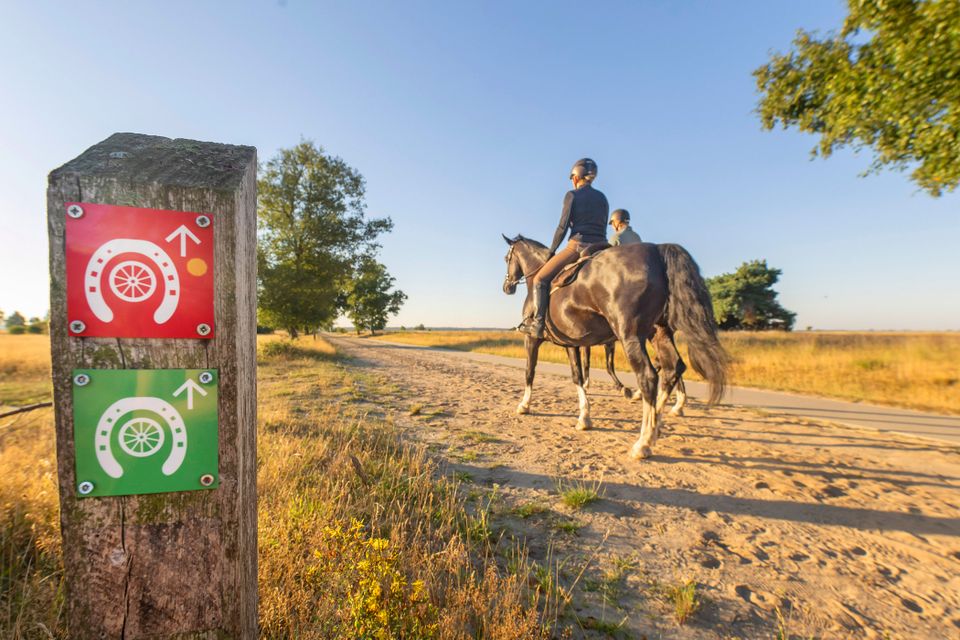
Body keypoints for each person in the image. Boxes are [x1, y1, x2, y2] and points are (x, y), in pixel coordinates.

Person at [518, 158, 609, 338]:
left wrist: (551, 252)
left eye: (572, 178)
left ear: (576, 177)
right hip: (603, 246)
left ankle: (537, 324)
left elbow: (562, 227)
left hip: (578, 245)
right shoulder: (602, 197)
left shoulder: (572, 195)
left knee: (539, 280)